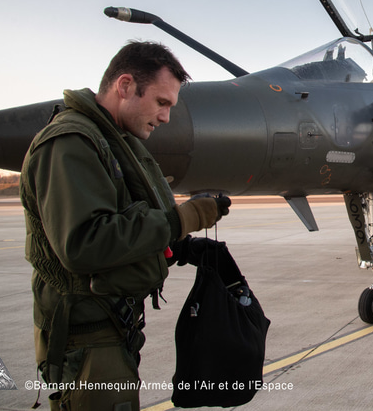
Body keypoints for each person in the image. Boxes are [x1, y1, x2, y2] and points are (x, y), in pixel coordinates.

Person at [20, 40, 232, 411]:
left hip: (110, 333)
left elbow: (122, 218)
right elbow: (85, 243)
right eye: (161, 102)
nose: (166, 117)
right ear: (125, 86)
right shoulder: (71, 142)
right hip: (86, 342)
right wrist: (182, 219)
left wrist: (180, 247)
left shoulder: (112, 140)